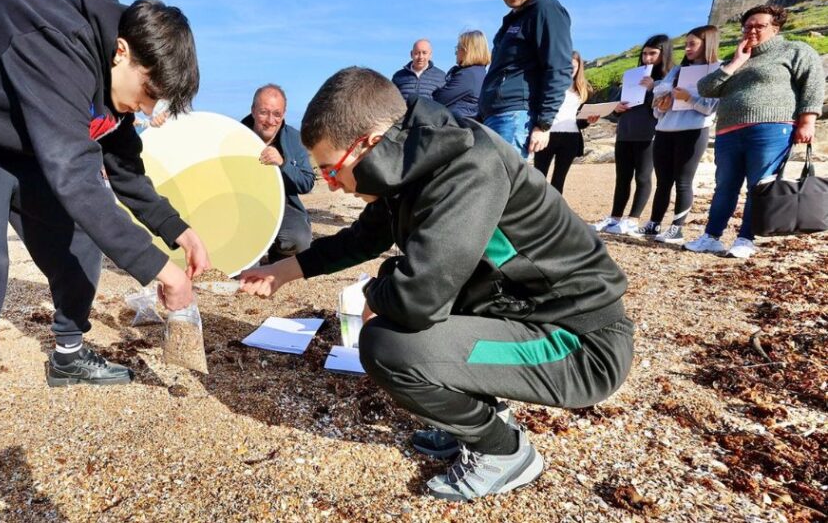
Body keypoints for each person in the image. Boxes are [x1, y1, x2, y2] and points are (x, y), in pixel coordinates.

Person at [239, 67, 633, 502]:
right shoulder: (410, 159)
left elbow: (417, 299)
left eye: (333, 170)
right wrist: (282, 272)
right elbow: (366, 236)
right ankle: (480, 416)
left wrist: (376, 294)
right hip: (520, 313)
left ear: (369, 144)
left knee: (388, 346)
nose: (331, 184)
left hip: (577, 342)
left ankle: (504, 452)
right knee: (403, 319)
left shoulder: (467, 168)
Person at [0, 0, 210, 485]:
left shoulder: (110, 80)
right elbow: (76, 177)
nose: (150, 110)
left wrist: (178, 231)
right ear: (122, 51)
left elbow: (122, 166)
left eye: (160, 103)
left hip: (22, 131)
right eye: (150, 92)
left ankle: (68, 355)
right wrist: (160, 271)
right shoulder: (54, 40)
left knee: (79, 240)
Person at [686, 5, 825, 258]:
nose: (751, 30)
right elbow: (705, 88)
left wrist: (807, 121)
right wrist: (737, 62)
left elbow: (812, 85)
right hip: (729, 131)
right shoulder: (737, 57)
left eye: (759, 26)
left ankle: (746, 238)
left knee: (759, 185)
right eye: (747, 26)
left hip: (771, 128)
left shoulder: (795, 50)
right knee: (724, 186)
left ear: (775, 27)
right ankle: (712, 236)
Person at [480, 0, 573, 159]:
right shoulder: (514, 20)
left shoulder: (546, 10)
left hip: (514, 119)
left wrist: (543, 124)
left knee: (503, 187)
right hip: (495, 117)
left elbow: (559, 68)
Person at [640, 26, 721, 244]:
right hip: (665, 130)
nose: (687, 49)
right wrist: (661, 105)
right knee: (663, 181)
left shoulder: (717, 70)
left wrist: (689, 98)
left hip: (693, 131)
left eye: (693, 44)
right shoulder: (677, 70)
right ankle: (653, 224)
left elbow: (710, 108)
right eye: (686, 44)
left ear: (708, 44)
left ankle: (677, 228)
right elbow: (658, 99)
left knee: (683, 181)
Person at [590, 35, 674, 235]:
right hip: (625, 132)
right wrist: (616, 109)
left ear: (664, 54)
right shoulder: (632, 78)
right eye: (644, 53)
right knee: (622, 177)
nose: (647, 58)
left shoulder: (669, 78)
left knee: (643, 177)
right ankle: (615, 217)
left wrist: (654, 87)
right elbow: (615, 109)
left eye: (653, 53)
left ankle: (633, 220)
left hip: (649, 134)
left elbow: (667, 107)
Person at [241, 84, 316, 262]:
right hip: (243, 203)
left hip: (284, 204)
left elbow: (307, 182)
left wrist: (283, 164)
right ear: (253, 110)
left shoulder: (295, 139)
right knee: (243, 266)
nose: (270, 120)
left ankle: (276, 256)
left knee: (300, 240)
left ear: (284, 114)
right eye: (263, 112)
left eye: (277, 114)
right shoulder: (236, 135)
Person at [533, 50, 598, 193]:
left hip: (571, 137)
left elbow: (580, 121)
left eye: (572, 67)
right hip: (547, 134)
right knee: (538, 177)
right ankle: (535, 212)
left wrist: (588, 120)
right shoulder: (547, 85)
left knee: (559, 179)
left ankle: (554, 213)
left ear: (579, 67)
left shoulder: (584, 89)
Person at [433, 30, 489, 120]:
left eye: (458, 48)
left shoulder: (468, 75)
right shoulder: (479, 72)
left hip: (458, 126)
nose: (456, 52)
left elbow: (439, 100)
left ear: (466, 50)